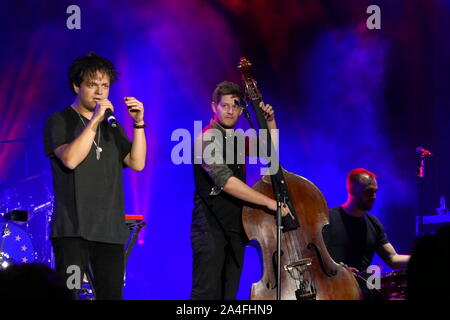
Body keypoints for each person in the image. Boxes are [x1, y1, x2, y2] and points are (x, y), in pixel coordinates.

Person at [44, 52, 146, 300]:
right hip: (73, 231)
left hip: (109, 231)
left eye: (105, 85)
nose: (100, 92)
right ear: (76, 86)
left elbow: (137, 162)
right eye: (92, 85)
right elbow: (70, 159)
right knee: (69, 295)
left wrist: (139, 124)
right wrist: (94, 121)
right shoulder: (59, 121)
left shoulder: (112, 127)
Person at [191, 81, 291, 300]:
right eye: (225, 105)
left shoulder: (237, 140)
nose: (230, 111)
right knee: (206, 296)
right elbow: (225, 181)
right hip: (210, 229)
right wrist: (267, 202)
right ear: (213, 107)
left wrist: (270, 121)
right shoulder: (205, 139)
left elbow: (269, 151)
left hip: (236, 229)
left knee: (229, 296)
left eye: (235, 106)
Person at [322, 168, 410, 299]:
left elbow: (392, 258)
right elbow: (313, 256)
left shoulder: (373, 223)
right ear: (352, 190)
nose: (373, 197)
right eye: (369, 192)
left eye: (375, 192)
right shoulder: (327, 219)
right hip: (332, 289)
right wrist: (339, 270)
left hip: (363, 290)